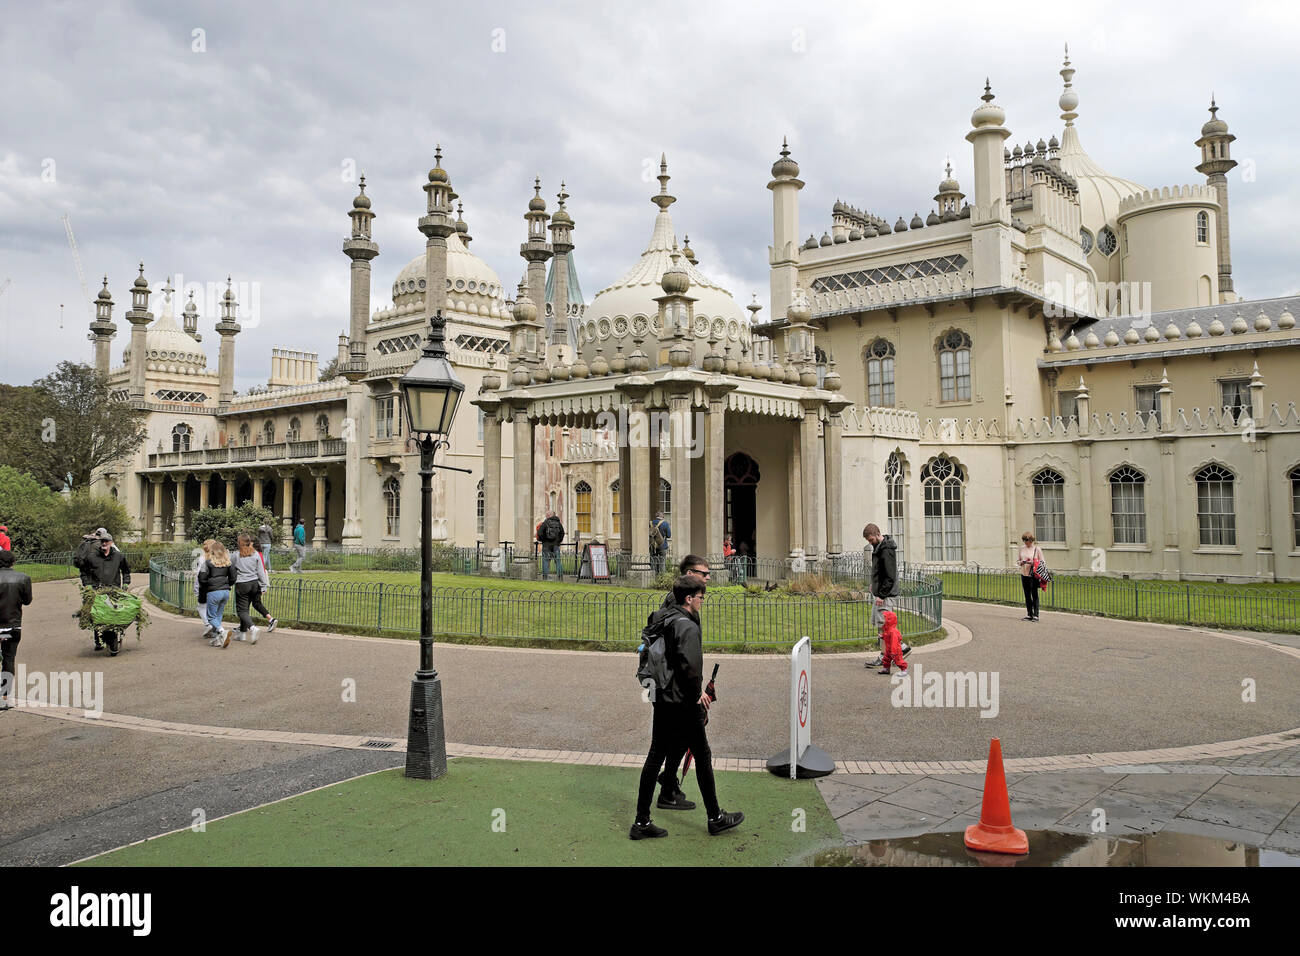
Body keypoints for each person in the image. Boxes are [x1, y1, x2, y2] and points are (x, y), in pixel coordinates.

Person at [631, 575, 743, 840]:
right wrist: (699, 698)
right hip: (683, 701)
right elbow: (691, 669)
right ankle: (715, 817)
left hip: (662, 696)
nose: (703, 601)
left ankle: (641, 821)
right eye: (701, 596)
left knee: (655, 755)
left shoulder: (664, 616)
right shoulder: (687, 626)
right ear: (689, 599)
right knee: (702, 755)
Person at [653, 554, 713, 812]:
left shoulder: (685, 601)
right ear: (690, 574)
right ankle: (667, 787)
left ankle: (667, 785)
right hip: (675, 689)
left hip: (679, 687)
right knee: (677, 743)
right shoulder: (675, 604)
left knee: (677, 740)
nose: (708, 577)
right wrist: (695, 691)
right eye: (703, 573)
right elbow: (675, 653)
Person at [863, 523, 910, 667]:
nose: (870, 543)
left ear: (877, 534)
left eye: (871, 540)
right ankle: (893, 652)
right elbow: (881, 572)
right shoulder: (879, 547)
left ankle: (896, 651)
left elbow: (889, 576)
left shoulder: (886, 549)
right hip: (882, 592)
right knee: (883, 627)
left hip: (885, 595)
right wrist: (875, 584)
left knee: (885, 627)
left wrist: (881, 595)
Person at [0, 550, 33, 711]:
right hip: (13, 625)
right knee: (9, 659)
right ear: (13, 562)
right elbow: (27, 601)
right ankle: (4, 697)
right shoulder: (23, 578)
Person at [232, 532, 277, 644]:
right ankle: (242, 634)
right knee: (245, 610)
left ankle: (252, 628)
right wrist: (263, 585)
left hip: (242, 584)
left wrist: (231, 581)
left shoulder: (236, 555)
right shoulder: (256, 554)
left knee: (241, 610)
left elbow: (231, 570)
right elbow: (261, 571)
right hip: (254, 584)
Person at [196, 540, 235, 647]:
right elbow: (233, 578)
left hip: (213, 592)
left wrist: (208, 585)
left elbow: (201, 578)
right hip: (225, 592)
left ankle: (222, 631)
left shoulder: (208, 563)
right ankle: (218, 638)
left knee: (211, 617)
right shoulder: (228, 563)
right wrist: (227, 584)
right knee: (218, 615)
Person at [1017, 531, 1044, 622]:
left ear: (1031, 540)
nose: (1025, 542)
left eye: (1027, 540)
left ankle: (1036, 615)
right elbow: (1018, 560)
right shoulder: (1021, 548)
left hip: (1033, 575)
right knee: (1027, 594)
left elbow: (1042, 562)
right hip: (1024, 573)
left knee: (1034, 594)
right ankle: (1029, 614)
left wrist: (1034, 563)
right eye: (1024, 540)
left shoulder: (1037, 549)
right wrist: (1021, 562)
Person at [876, 609, 909, 676]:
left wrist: (893, 652)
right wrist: (882, 636)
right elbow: (887, 637)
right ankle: (886, 669)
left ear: (889, 620)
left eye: (884, 618)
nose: (883, 620)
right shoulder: (887, 629)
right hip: (889, 649)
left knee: (898, 660)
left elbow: (894, 642)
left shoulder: (893, 631)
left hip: (895, 650)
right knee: (886, 659)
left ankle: (904, 670)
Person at [537, 511, 564, 580]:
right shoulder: (558, 523)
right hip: (555, 545)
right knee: (558, 561)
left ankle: (545, 577)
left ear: (550, 515)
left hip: (546, 545)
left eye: (547, 515)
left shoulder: (545, 523)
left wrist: (543, 540)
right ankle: (560, 577)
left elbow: (540, 533)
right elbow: (562, 533)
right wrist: (558, 541)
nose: (546, 516)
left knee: (545, 561)